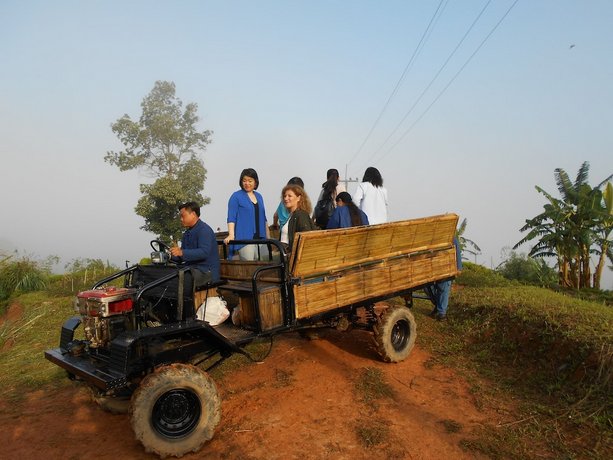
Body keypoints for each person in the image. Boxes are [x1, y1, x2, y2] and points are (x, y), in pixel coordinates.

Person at [224, 168, 270, 260]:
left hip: (261, 239)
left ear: (255, 182)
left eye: (250, 181)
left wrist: (268, 237)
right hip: (245, 239)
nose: (247, 183)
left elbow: (264, 218)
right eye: (244, 181)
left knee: (265, 265)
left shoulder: (259, 196)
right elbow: (231, 217)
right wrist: (231, 234)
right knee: (249, 267)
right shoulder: (236, 196)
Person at [170, 201, 221, 282]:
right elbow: (183, 256)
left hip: (206, 271)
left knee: (178, 279)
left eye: (183, 216)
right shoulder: (187, 233)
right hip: (192, 268)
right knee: (166, 274)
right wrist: (170, 256)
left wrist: (182, 252)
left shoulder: (204, 230)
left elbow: (204, 252)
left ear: (193, 214)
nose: (181, 219)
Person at [425, 236, 463, 321]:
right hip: (434, 268)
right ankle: (439, 307)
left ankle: (442, 313)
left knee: (443, 288)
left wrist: (459, 268)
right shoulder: (432, 236)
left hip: (447, 267)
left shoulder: (452, 237)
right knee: (428, 288)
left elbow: (457, 252)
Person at [280, 184, 317, 250]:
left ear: (298, 198)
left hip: (289, 255)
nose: (286, 198)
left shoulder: (301, 215)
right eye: (285, 196)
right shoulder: (292, 216)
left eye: (289, 196)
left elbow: (305, 236)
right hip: (283, 251)